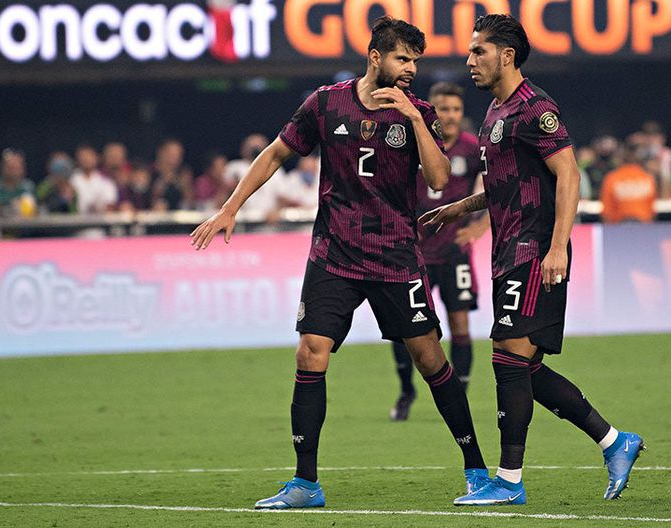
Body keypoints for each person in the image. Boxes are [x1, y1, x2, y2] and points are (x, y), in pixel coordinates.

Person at [190, 16, 489, 510]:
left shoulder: (418, 111)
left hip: (395, 255)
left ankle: (476, 470)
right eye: (402, 59)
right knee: (310, 352)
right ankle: (305, 483)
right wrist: (231, 207)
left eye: (415, 61)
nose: (411, 69)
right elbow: (275, 154)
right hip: (335, 253)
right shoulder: (326, 103)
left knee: (430, 358)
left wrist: (416, 121)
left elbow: (438, 179)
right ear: (375, 57)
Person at [421, 14, 643, 506]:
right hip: (506, 252)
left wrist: (558, 245)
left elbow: (569, 174)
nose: (469, 59)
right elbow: (504, 186)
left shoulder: (534, 108)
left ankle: (509, 481)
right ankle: (614, 441)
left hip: (534, 251)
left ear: (506, 56)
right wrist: (457, 208)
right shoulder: (494, 112)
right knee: (525, 366)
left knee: (507, 357)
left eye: (478, 50)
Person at [389, 81, 489, 421]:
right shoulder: (412, 142)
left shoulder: (472, 149)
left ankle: (458, 398)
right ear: (430, 110)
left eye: (456, 109)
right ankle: (406, 392)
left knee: (460, 325)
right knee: (406, 328)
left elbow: (500, 186)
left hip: (453, 253)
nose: (450, 116)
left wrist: (480, 227)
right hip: (413, 253)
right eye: (444, 109)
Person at [600, 137, 658, 223]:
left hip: (641, 226)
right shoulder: (612, 178)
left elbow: (606, 214)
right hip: (621, 226)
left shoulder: (648, 178)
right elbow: (607, 213)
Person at [70, 143, 118, 214]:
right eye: (82, 156)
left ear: (96, 158)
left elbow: (110, 205)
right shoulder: (71, 180)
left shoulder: (106, 181)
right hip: (75, 218)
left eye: (89, 155)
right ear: (77, 159)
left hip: (100, 218)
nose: (86, 159)